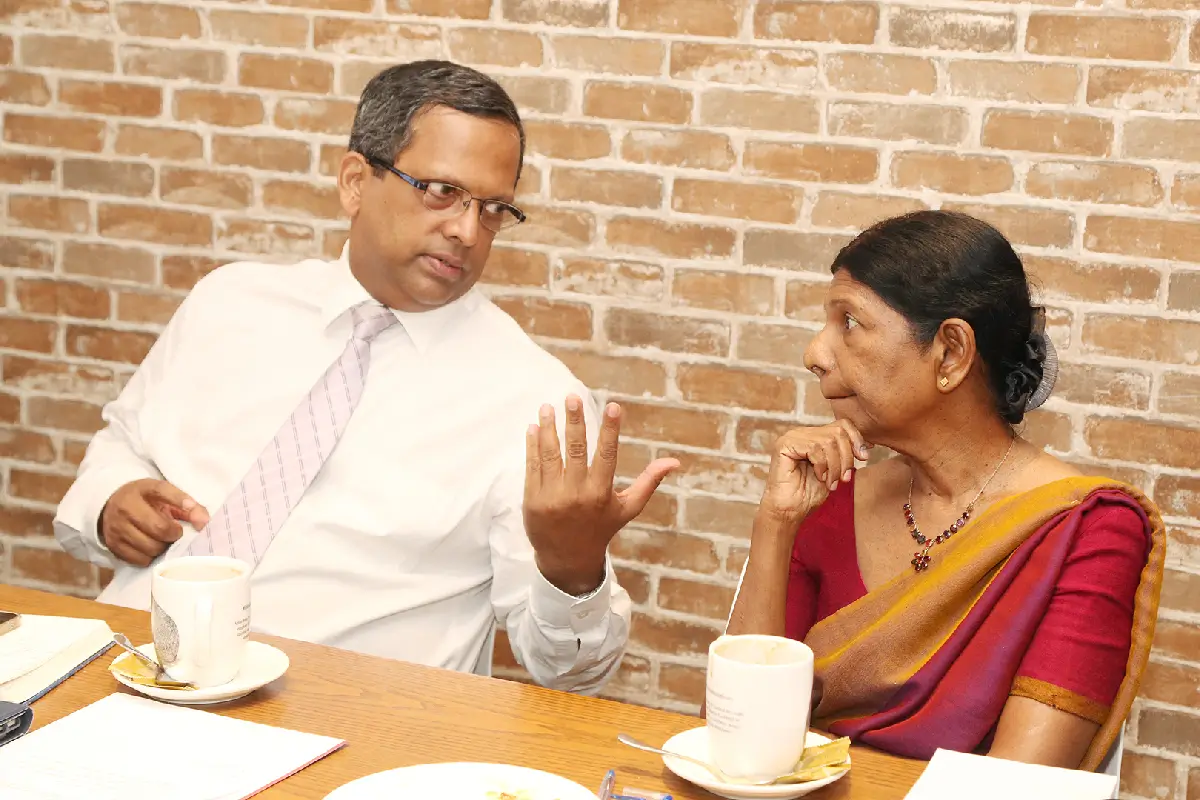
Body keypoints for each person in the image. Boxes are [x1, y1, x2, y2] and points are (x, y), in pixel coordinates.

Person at [53, 60, 678, 695]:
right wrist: (110, 501)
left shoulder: (536, 403)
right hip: (123, 676)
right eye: (441, 191)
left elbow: (569, 672)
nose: (467, 230)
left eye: (493, 209)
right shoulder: (228, 303)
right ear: (355, 182)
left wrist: (571, 572)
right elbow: (121, 444)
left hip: (340, 719)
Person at [727, 210, 1165, 771]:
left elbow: (1019, 781)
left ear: (951, 352)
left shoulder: (1086, 529)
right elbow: (737, 734)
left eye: (850, 322)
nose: (814, 354)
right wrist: (775, 523)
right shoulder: (829, 500)